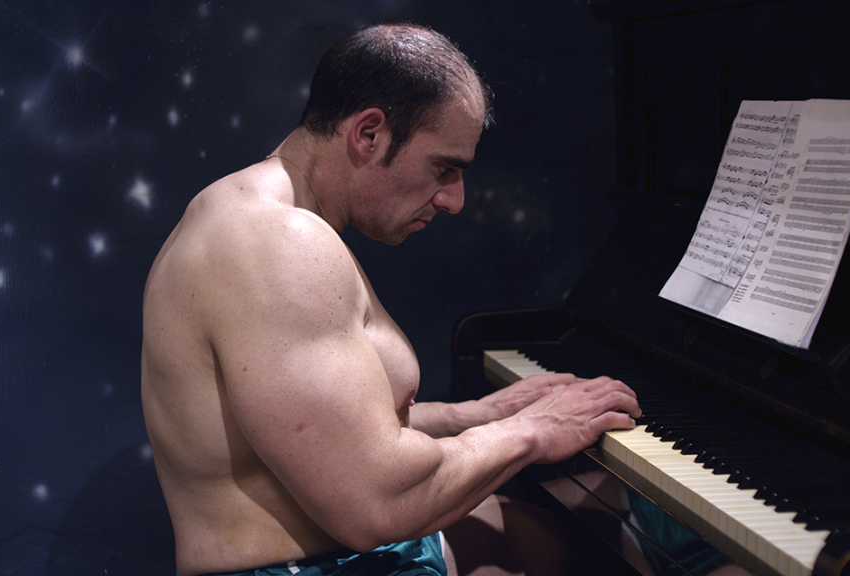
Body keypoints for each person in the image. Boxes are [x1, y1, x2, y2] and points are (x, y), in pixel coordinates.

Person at [140, 23, 641, 576]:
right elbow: (377, 505)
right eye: (443, 168)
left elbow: (319, 430)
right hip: (315, 567)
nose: (454, 199)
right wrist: (531, 429)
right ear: (369, 134)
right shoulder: (278, 244)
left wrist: (469, 416)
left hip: (346, 553)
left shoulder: (260, 215)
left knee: (577, 537)